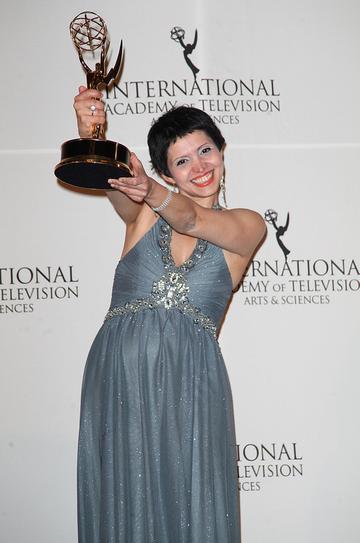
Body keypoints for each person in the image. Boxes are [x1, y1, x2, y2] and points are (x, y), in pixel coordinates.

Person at [73, 85, 266, 543]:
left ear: (221, 151)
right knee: (122, 497)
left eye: (205, 151)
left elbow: (194, 221)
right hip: (119, 378)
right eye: (183, 161)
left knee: (190, 499)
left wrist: (154, 191)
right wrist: (91, 134)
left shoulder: (247, 224)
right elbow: (119, 187)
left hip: (191, 384)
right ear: (167, 171)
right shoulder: (141, 215)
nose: (199, 167)